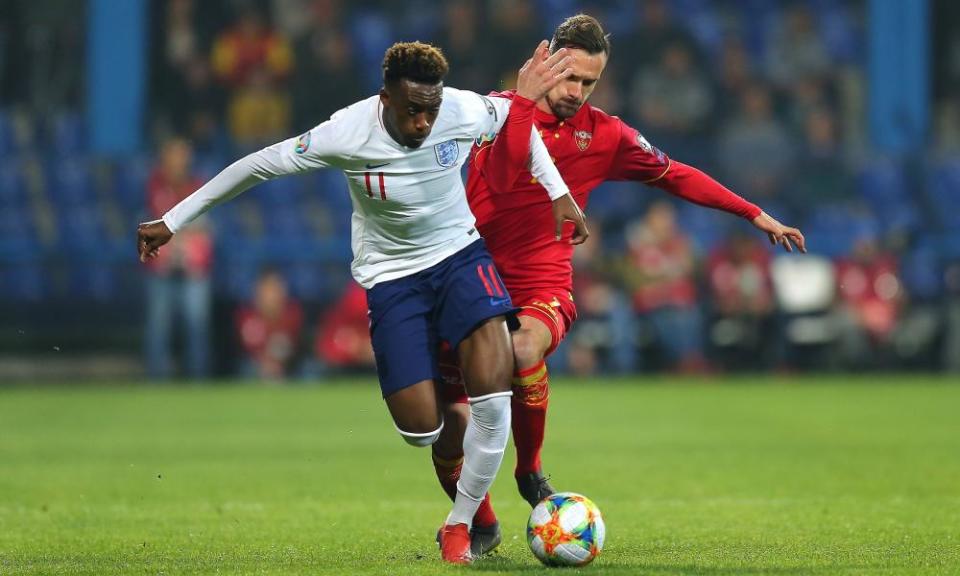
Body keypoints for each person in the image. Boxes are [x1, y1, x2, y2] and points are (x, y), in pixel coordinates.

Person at [137, 41, 587, 565]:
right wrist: (173, 220)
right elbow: (258, 165)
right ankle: (470, 501)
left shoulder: (461, 108)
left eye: (430, 110)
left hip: (461, 257)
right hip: (392, 278)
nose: (423, 122)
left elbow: (519, 123)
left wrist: (558, 192)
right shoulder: (347, 131)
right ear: (385, 99)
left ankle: (461, 527)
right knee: (424, 430)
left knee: (494, 398)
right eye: (412, 110)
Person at [433, 14, 806, 555]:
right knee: (448, 421)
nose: (576, 92)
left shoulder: (603, 133)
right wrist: (518, 102)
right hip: (469, 274)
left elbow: (675, 172)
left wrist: (752, 214)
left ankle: (530, 469)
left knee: (521, 347)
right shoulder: (491, 112)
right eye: (568, 79)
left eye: (588, 83)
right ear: (545, 63)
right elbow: (498, 176)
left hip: (541, 279)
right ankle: (482, 521)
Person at [143, 138, 213, 380]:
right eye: (174, 155)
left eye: (183, 155)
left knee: (197, 327)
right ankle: (156, 382)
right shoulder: (153, 185)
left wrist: (179, 238)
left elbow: (205, 228)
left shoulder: (197, 185)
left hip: (193, 267)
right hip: (161, 267)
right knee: (158, 329)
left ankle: (197, 383)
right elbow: (149, 226)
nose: (179, 161)